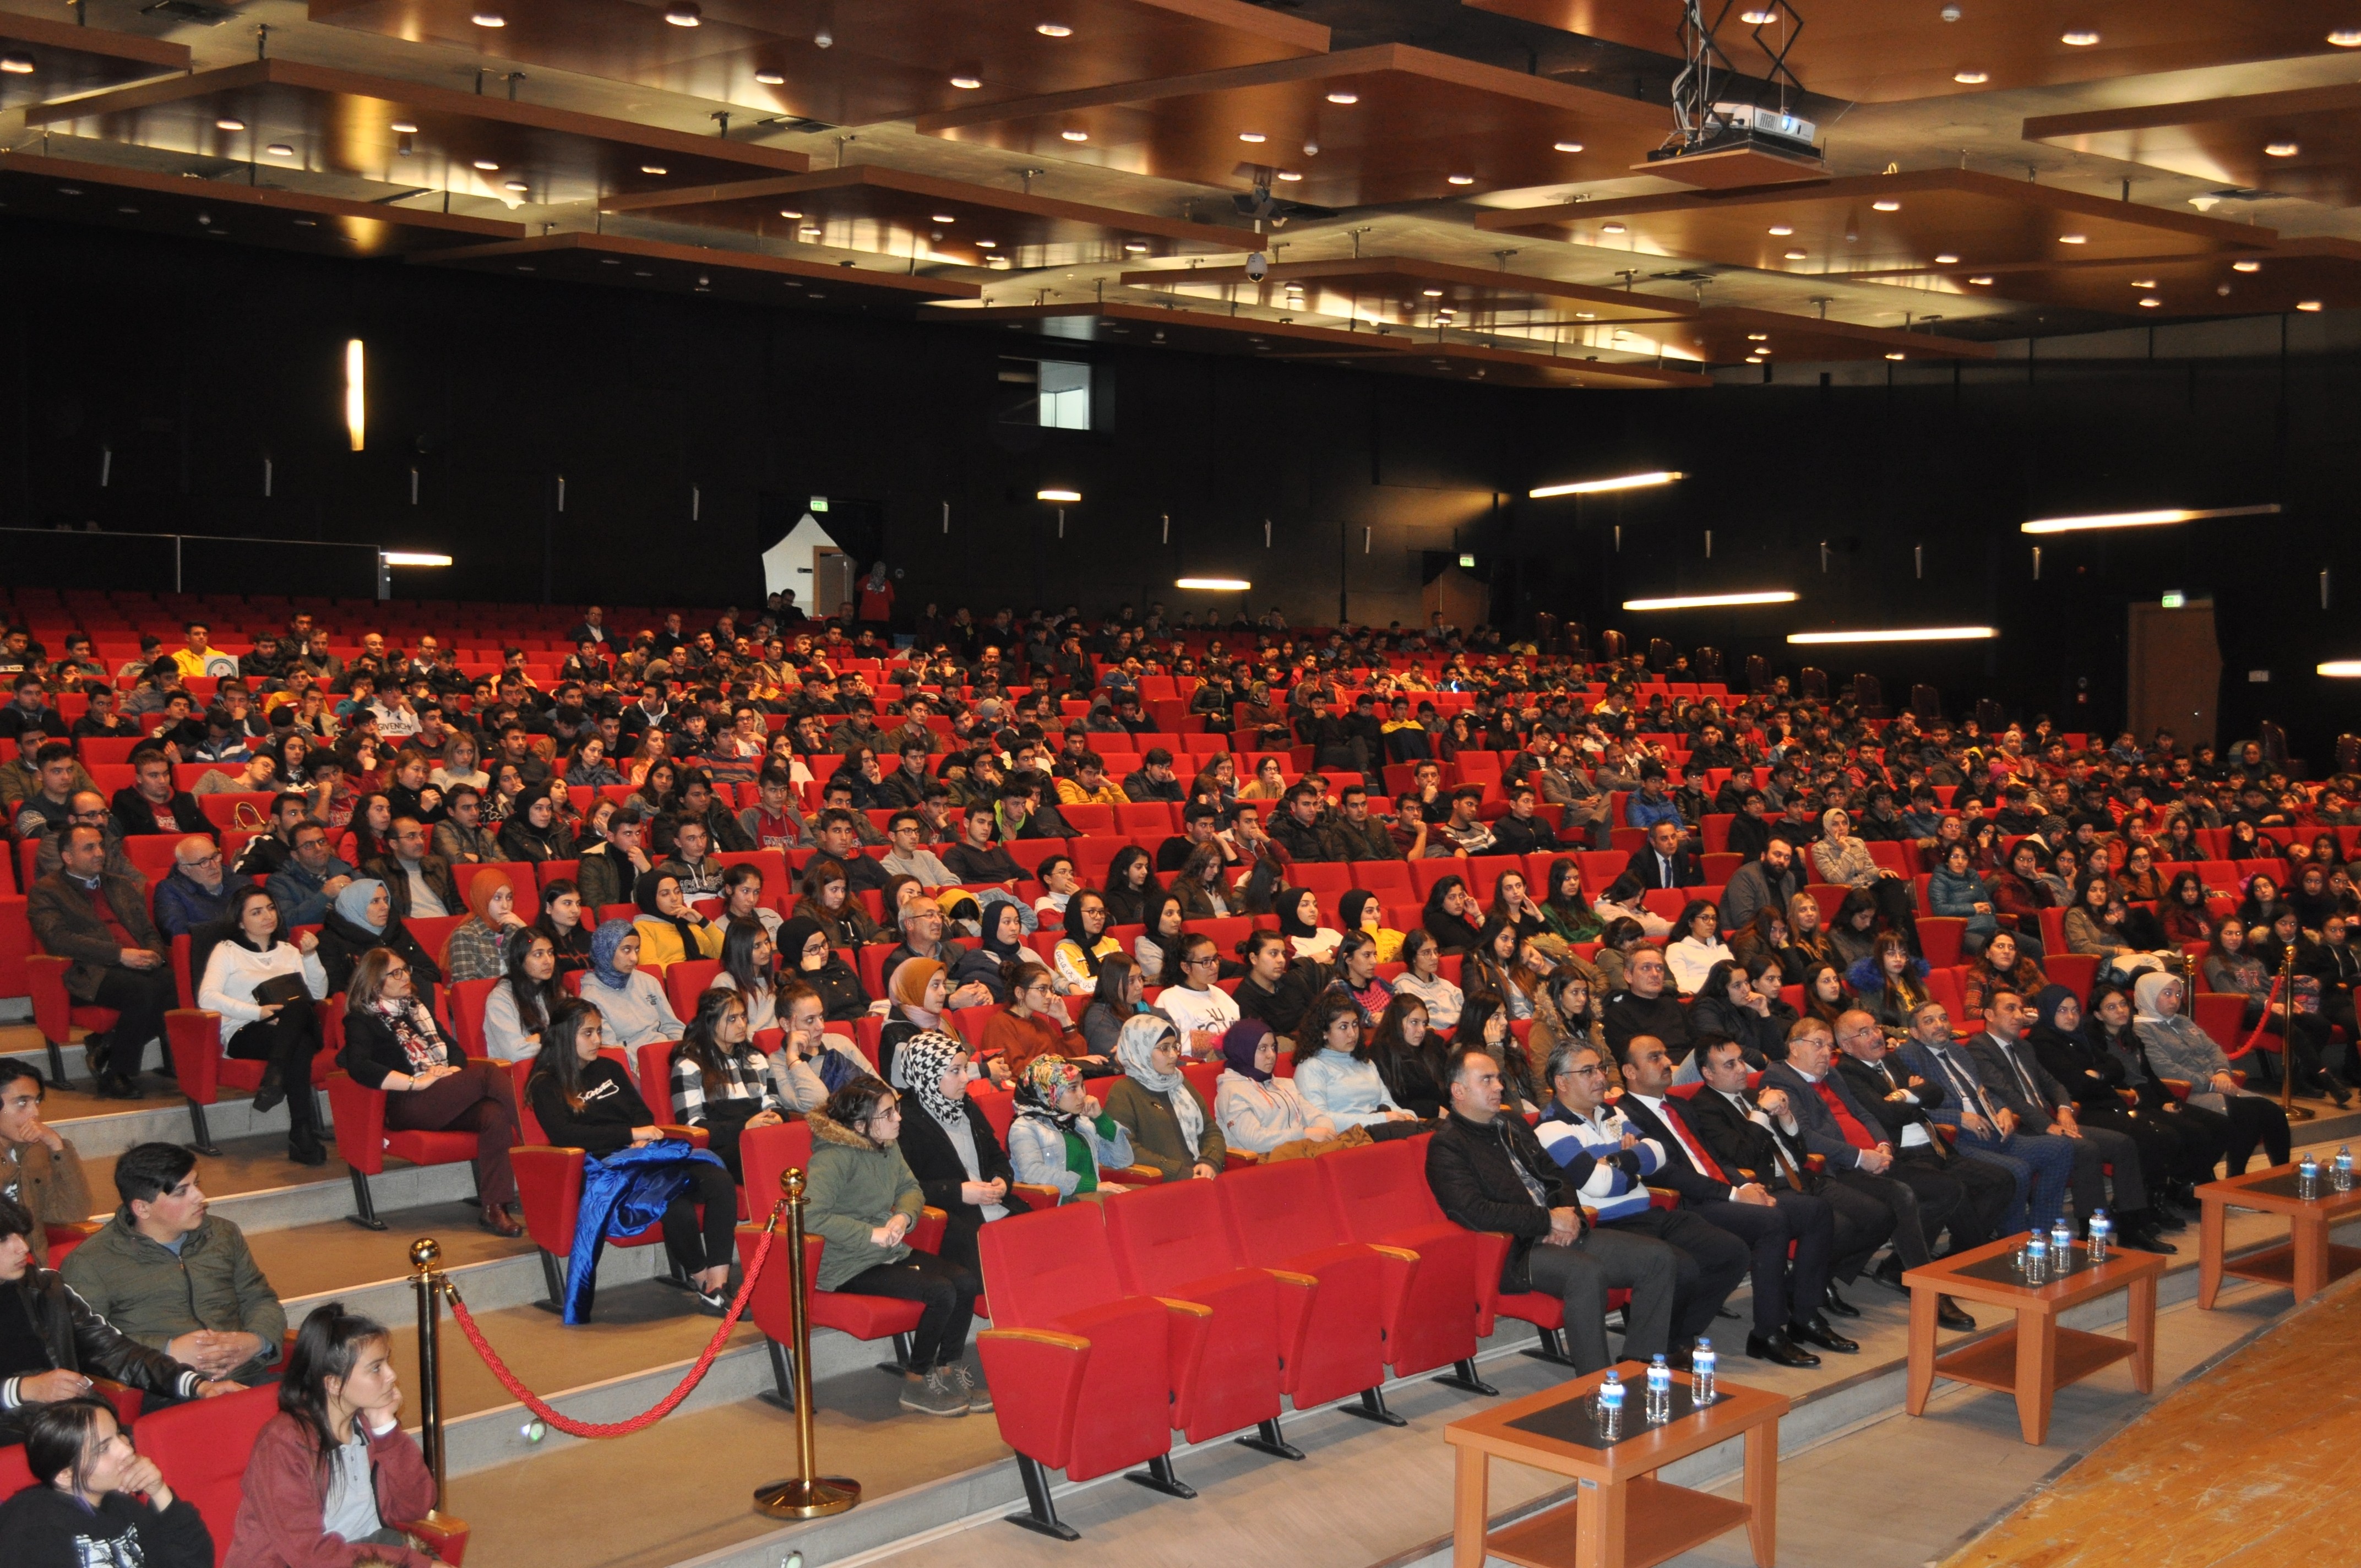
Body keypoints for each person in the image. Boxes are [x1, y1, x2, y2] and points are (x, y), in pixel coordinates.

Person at [1588, 1036, 1854, 1365]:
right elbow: (1666, 1174)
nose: (1666, 1064)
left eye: (1665, 1056)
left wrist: (1745, 1185)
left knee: (1814, 1210)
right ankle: (1768, 1333)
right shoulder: (1625, 1115)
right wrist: (1734, 1194)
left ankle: (1805, 1314)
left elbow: (1715, 1158)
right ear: (1629, 1070)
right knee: (1772, 1222)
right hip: (1689, 1203)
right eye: (1654, 1058)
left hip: (1722, 1190)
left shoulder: (1680, 1105)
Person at [1426, 1043, 1680, 1375]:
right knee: (1586, 1273)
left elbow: (1557, 1177)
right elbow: (1474, 1212)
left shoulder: (1512, 1124)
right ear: (1458, 1091)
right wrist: (1546, 1222)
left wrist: (1569, 1217)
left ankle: (1641, 1364)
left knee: (1658, 1259)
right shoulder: (1447, 1145)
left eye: (1498, 1078)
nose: (1500, 1086)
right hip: (1514, 1250)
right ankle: (1597, 1385)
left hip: (1560, 1229)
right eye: (1487, 1080)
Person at [1761, 1017, 1981, 1329]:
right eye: (1818, 1044)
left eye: (1829, 1045)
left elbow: (1862, 1113)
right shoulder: (1783, 1080)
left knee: (1938, 1191)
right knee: (1898, 1197)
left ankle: (1845, 1274)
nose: (1826, 1052)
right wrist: (1861, 1157)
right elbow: (1807, 1136)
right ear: (1794, 1048)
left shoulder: (1831, 1073)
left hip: (1872, 1158)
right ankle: (1928, 1292)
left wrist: (1882, 1144)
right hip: (1834, 1168)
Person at [525, 1000, 737, 1314]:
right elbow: (567, 1137)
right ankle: (705, 1282)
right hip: (603, 1171)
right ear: (565, 1036)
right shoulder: (546, 1083)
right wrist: (630, 1136)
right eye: (588, 1033)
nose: (598, 1040)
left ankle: (718, 1285)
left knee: (719, 1180)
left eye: (598, 1032)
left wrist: (639, 1139)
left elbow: (643, 1114)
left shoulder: (609, 1068)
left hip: (644, 1157)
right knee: (673, 1204)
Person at [0, 1194, 235, 1446]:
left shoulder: (46, 1289)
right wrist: (24, 1389)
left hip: (67, 1428)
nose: (22, 1247)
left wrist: (196, 1385)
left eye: (20, 1235)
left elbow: (115, 1351)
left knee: (181, 1441)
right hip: (23, 1434)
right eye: (4, 1240)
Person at [220, 1302, 443, 1566]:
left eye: (387, 1363)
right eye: (376, 1368)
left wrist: (387, 1428)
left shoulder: (368, 1425)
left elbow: (416, 1506)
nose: (392, 1375)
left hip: (369, 1550)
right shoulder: (284, 1444)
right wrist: (414, 1563)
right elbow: (309, 1555)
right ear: (334, 1383)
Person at [60, 1142, 288, 1388]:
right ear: (142, 1208)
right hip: (164, 1387)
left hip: (245, 1376)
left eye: (196, 1184)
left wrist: (255, 1341)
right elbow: (87, 1345)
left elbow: (260, 1299)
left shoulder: (222, 1234)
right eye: (182, 1192)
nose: (200, 1197)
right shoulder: (90, 1263)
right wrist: (168, 1350)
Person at [1966, 989, 2175, 1250]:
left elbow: (2052, 1084)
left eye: (2020, 1009)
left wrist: (2064, 1109)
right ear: (1989, 1014)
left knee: (2123, 1144)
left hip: (2047, 1120)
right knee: (2085, 1148)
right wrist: (2047, 1125)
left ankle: (2132, 1226)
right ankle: (2091, 1230)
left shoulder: (2024, 1046)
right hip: (2022, 1129)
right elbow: (2003, 1093)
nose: (2018, 1016)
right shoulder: (1979, 1048)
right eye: (2010, 1009)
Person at [339, 948, 521, 1237]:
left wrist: (453, 1072)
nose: (406, 976)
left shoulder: (416, 1009)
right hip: (406, 1103)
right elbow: (358, 1066)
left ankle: (494, 1208)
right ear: (375, 983)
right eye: (395, 973)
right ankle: (542, 1140)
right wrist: (416, 1083)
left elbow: (455, 1051)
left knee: (494, 1114)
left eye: (405, 969)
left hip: (442, 1093)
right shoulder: (362, 1019)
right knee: (488, 1074)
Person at [1896, 1000, 2076, 1236]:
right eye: (1929, 1021)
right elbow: (1914, 1107)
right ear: (1915, 1033)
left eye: (1943, 1018)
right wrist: (1960, 1118)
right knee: (2018, 1170)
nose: (1940, 1025)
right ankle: (2014, 1235)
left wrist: (2002, 1109)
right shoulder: (1908, 1055)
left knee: (2060, 1147)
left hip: (1993, 1130)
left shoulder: (1959, 1050)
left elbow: (1984, 1090)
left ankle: (2042, 1228)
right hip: (1959, 1140)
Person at [28, 824, 177, 1097]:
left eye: (100, 846)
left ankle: (109, 1044)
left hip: (137, 964)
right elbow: (58, 939)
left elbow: (146, 930)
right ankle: (117, 1073)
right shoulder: (47, 891)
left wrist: (154, 954)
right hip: (89, 972)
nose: (99, 853)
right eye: (89, 848)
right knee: (142, 990)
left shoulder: (120, 884)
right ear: (67, 857)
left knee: (179, 984)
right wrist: (120, 955)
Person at [197, 887, 331, 1164]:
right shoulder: (227, 951)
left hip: (292, 1025)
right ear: (240, 921)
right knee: (301, 1043)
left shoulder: (288, 951)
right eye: (256, 912)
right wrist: (258, 1013)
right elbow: (207, 997)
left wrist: (310, 956)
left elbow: (317, 994)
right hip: (247, 1030)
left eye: (270, 908)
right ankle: (300, 1132)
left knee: (297, 1007)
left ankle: (275, 1076)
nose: (267, 916)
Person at [0, 1395, 215, 1566]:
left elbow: (194, 1562)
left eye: (119, 1434)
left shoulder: (119, 1505)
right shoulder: (33, 1532)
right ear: (66, 1475)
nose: (126, 1449)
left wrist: (159, 1491)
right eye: (104, 1449)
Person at [890, 1031, 1027, 1271]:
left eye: (965, 1069)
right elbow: (902, 1188)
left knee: (1045, 1243)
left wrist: (1001, 1180)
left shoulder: (966, 1107)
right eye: (955, 1071)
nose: (965, 1078)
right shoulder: (903, 1121)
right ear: (929, 1074)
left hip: (995, 1205)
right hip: (951, 1217)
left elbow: (997, 1157)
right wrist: (958, 1192)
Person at [2131, 972, 2291, 1175]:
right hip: (2186, 1091)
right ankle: (2236, 1179)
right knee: (2247, 1115)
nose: (2174, 1000)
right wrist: (2211, 1084)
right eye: (2167, 994)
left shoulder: (2182, 1021)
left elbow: (2213, 1049)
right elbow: (2164, 1067)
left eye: (2178, 994)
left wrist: (2223, 1073)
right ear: (2149, 995)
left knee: (2273, 1112)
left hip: (2217, 1084)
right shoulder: (2140, 1029)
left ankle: (2283, 1175)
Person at [666, 989, 787, 1179]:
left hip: (760, 1139)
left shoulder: (756, 1059)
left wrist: (777, 1117)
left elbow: (773, 1103)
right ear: (711, 1023)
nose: (742, 1025)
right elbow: (693, 1127)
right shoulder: (689, 1065)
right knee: (769, 1155)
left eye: (743, 1017)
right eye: (732, 1019)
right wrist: (745, 1127)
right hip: (719, 1150)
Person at [1103, 1014, 1226, 1181]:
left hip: (1201, 1178)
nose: (1174, 1055)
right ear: (1141, 1050)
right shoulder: (1124, 1092)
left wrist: (1210, 1161)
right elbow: (1126, 1148)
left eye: (1175, 1047)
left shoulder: (1180, 1083)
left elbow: (1210, 1129)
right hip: (1160, 1185)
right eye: (1164, 1048)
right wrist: (1178, 1172)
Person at [0, 1061, 94, 1270]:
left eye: (37, 1101)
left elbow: (74, 1211)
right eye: (22, 1102)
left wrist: (57, 1147)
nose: (35, 1113)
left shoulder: (34, 1149)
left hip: (31, 1269)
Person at [1006, 1055, 1138, 1203]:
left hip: (1090, 1200)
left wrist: (1100, 1118)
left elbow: (1123, 1160)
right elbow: (1032, 1173)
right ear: (1049, 1092)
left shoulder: (1080, 1121)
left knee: (1142, 1201)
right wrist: (1091, 1186)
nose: (1082, 1095)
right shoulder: (1024, 1127)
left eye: (1082, 1086)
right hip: (1059, 1206)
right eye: (1073, 1088)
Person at [1292, 994, 1421, 1134]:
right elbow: (1320, 1121)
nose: (1353, 1034)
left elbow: (1389, 1105)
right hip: (1348, 1138)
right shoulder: (1312, 1067)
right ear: (1324, 1032)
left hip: (1381, 1128)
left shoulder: (1366, 1063)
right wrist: (1381, 1119)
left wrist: (1408, 1115)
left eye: (1355, 1025)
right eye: (1343, 1027)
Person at [1214, 1019, 1338, 1153]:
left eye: (1274, 1047)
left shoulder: (1285, 1085)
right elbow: (1254, 1140)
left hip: (1301, 1153)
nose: (1272, 1055)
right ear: (1244, 1050)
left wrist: (1326, 1133)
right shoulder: (1232, 1091)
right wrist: (1305, 1135)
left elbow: (1317, 1117)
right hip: (1262, 1164)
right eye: (1263, 1049)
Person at [313, 879, 442, 999]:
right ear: (355, 906)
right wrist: (386, 989)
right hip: (364, 1011)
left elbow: (431, 972)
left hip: (410, 1000)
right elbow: (334, 989)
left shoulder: (395, 930)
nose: (385, 907)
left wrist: (399, 985)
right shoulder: (329, 940)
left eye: (386, 900)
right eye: (375, 901)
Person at [577, 920, 686, 1048]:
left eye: (637, 949)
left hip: (666, 1053)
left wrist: (679, 1052)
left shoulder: (648, 982)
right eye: (626, 950)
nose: (635, 958)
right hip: (635, 1063)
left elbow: (673, 1026)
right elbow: (613, 1049)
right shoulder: (591, 998)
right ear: (607, 951)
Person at [483, 929, 564, 1063]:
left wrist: (538, 1039)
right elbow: (516, 1053)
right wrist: (548, 1037)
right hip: (522, 1076)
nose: (548, 961)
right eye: (538, 955)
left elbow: (579, 1033)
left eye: (550, 953)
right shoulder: (501, 999)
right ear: (520, 960)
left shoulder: (558, 991)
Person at [1602, 946, 1693, 1064]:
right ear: (1628, 976)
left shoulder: (1673, 1005)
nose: (1655, 974)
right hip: (1657, 1073)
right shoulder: (1618, 1013)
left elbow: (1697, 1043)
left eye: (1660, 968)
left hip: (1688, 1068)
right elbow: (1632, 1061)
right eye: (1646, 968)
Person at [437, 869, 524, 986]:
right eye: (497, 898)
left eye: (509, 898)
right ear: (482, 898)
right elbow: (466, 985)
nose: (505, 905)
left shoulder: (515, 930)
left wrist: (524, 929)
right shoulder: (465, 935)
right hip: (483, 999)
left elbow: (538, 967)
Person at [779, 914, 870, 1021]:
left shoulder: (839, 965)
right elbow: (820, 1016)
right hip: (833, 1031)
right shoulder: (790, 981)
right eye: (814, 949)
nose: (823, 952)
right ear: (796, 953)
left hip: (861, 1022)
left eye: (824, 944)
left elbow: (866, 1002)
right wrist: (814, 974)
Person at [630, 869, 723, 969]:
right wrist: (691, 971)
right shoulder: (643, 927)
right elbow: (651, 968)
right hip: (671, 982)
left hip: (700, 977)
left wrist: (703, 922)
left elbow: (725, 954)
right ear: (651, 899)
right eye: (665, 894)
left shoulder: (689, 922)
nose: (674, 898)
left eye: (678, 892)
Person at [153, 835, 240, 938]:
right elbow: (177, 931)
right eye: (203, 862)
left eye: (215, 857)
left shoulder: (237, 881)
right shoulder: (170, 890)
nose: (214, 866)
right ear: (185, 870)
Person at [1718, 838, 1800, 940]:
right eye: (1777, 855)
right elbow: (1743, 921)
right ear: (1763, 856)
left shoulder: (1789, 878)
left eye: (1787, 857)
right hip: (1744, 938)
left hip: (1778, 938)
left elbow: (1791, 916)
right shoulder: (1746, 876)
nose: (1782, 861)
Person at [1391, 927, 1465, 1033]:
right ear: (1413, 958)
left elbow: (1467, 1010)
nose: (1435, 957)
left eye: (1436, 951)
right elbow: (1429, 1019)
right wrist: (1460, 1019)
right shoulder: (1404, 987)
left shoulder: (1445, 984)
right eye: (1427, 953)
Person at [1663, 899, 1732, 994]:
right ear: (1691, 922)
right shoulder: (1676, 949)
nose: (1711, 923)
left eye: (1714, 918)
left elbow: (1735, 976)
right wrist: (1717, 984)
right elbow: (1681, 985)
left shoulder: (1722, 947)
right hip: (1699, 1000)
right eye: (1705, 918)